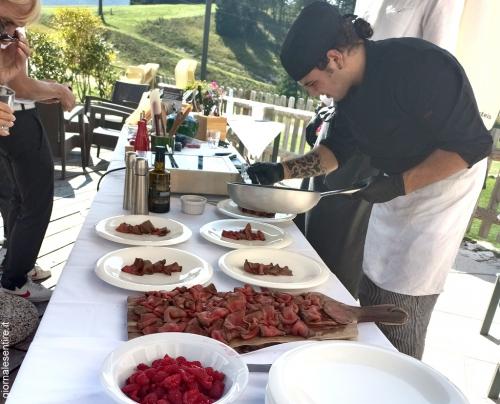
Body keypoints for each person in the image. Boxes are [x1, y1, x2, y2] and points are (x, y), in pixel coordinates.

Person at [247, 1, 492, 359]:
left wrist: (399, 185)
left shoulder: (421, 65)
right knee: (374, 281)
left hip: (442, 192)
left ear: (335, 57)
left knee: (404, 297)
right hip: (399, 184)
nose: (316, 94)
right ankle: (372, 360)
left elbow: (472, 146)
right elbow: (335, 152)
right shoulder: (349, 95)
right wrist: (280, 171)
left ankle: (401, 369)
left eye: (313, 83)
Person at [0, 0, 76, 302]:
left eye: (15, 26)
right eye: (5, 24)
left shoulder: (8, 36)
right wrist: (58, 90)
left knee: (16, 195)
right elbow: (21, 87)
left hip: (12, 119)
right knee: (37, 199)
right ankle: (15, 280)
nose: (10, 33)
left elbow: (12, 81)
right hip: (19, 120)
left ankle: (17, 263)